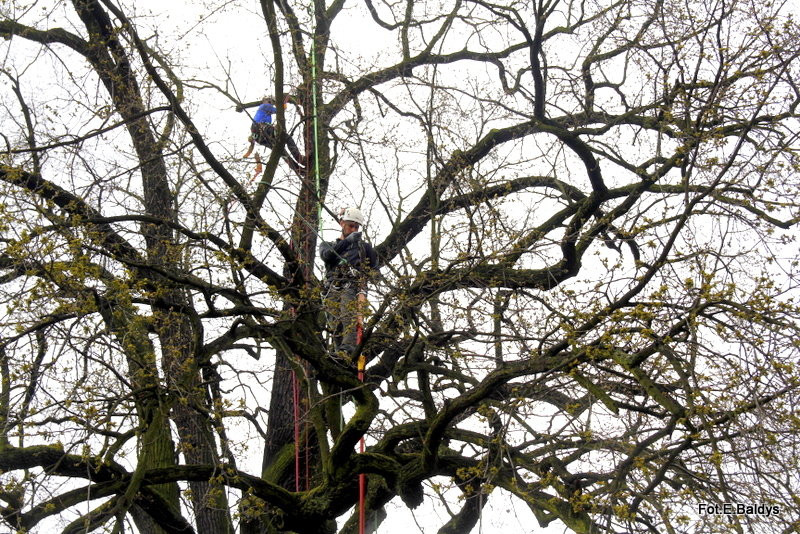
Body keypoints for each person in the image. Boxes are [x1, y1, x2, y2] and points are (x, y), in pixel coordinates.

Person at [319, 207, 379, 361]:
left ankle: (348, 351)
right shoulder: (328, 245)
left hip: (352, 285)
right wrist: (346, 242)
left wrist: (367, 276)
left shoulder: (364, 248)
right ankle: (339, 353)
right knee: (335, 323)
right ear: (342, 223)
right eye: (350, 225)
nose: (353, 229)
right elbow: (327, 256)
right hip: (332, 287)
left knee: (348, 317)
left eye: (356, 227)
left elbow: (375, 270)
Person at [244, 96, 304, 171]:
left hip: (259, 137)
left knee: (280, 150)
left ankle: (298, 170)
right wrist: (283, 105)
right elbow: (279, 111)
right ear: (264, 101)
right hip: (261, 129)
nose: (270, 103)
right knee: (286, 137)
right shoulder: (264, 106)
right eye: (269, 101)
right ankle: (299, 158)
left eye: (271, 102)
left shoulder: (263, 111)